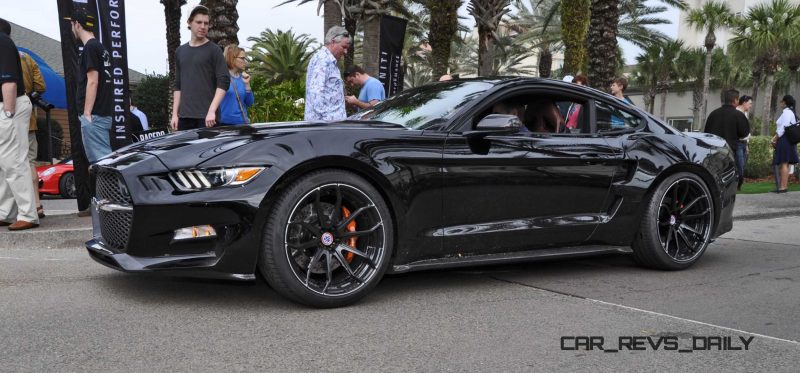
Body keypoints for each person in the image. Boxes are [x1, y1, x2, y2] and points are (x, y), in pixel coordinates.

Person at [0, 18, 38, 230]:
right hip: (8, 105)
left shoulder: (2, 42)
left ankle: (28, 214)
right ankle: (6, 212)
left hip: (9, 105)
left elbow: (9, 80)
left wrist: (8, 111)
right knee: (4, 162)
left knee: (13, 161)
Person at [170, 5, 230, 131]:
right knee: (185, 151)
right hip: (184, 118)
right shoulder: (180, 51)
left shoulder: (215, 50)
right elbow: (178, 85)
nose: (203, 27)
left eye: (206, 23)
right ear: (189, 23)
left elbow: (224, 82)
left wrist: (212, 111)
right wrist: (175, 114)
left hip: (208, 118)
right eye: (198, 22)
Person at [67, 10, 113, 163]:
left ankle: (111, 188)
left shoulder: (90, 48)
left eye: (72, 24)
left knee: (102, 163)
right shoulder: (100, 48)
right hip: (101, 114)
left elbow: (93, 81)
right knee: (104, 162)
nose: (71, 28)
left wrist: (87, 113)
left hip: (94, 116)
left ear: (77, 24)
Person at [19, 51, 46, 218]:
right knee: (30, 162)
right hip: (29, 119)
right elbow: (41, 85)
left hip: (8, 117)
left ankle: (15, 208)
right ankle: (37, 205)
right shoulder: (27, 57)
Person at [704, 89, 750, 186]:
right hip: (731, 151)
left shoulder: (713, 114)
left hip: (714, 152)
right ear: (735, 100)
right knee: (731, 175)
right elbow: (744, 133)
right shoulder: (738, 115)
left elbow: (706, 133)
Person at [304, 26, 350, 121]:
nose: (346, 52)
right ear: (333, 42)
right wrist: (327, 120)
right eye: (344, 47)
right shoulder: (322, 60)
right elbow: (316, 93)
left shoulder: (329, 60)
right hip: (325, 127)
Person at [219, 44, 254, 126]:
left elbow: (249, 103)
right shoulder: (221, 77)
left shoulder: (243, 78)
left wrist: (247, 84)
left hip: (241, 124)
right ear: (232, 58)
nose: (244, 61)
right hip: (222, 124)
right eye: (242, 58)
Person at [771, 95, 799, 193]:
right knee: (785, 163)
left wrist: (775, 138)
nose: (780, 103)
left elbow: (783, 128)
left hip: (785, 140)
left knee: (784, 162)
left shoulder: (787, 112)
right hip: (787, 140)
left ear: (785, 102)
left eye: (781, 101)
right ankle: (783, 186)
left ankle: (783, 187)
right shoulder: (790, 112)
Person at [736, 95, 753, 190]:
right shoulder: (736, 112)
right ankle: (737, 185)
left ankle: (738, 185)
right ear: (744, 102)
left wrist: (747, 145)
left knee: (742, 166)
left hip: (744, 143)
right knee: (740, 166)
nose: (750, 106)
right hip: (738, 143)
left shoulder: (745, 114)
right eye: (750, 103)